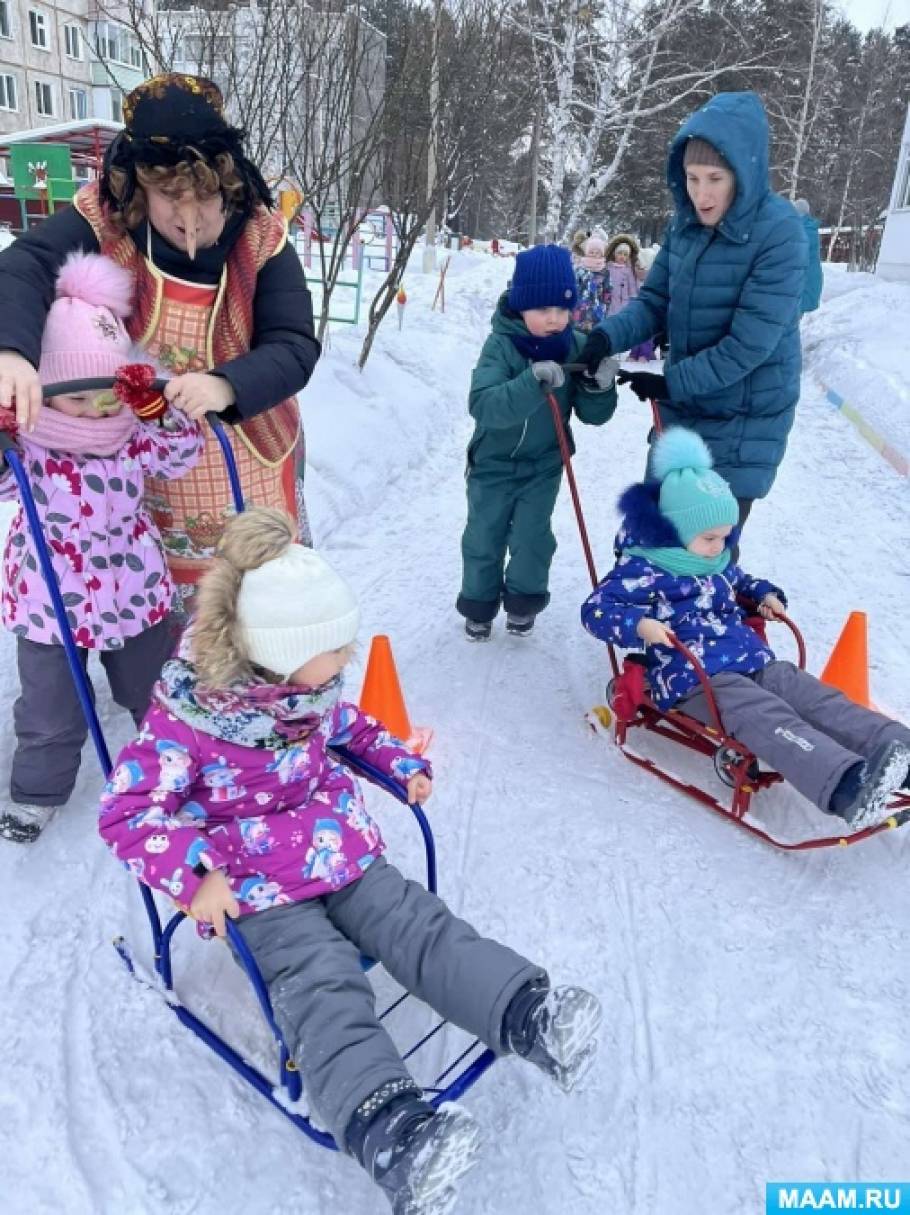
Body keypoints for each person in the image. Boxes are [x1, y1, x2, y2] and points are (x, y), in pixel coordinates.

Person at [97, 507, 603, 1214]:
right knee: (320, 979)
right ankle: (392, 1130)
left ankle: (526, 1010)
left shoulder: (308, 690)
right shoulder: (192, 720)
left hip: (338, 846)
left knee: (417, 924)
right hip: (257, 884)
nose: (347, 657)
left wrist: (400, 764)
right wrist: (194, 876)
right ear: (274, 648)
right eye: (334, 646)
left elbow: (354, 727)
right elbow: (126, 809)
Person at [0, 73, 320, 616]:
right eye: (171, 198)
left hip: (249, 446)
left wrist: (225, 384)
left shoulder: (262, 234)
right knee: (172, 613)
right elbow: (23, 266)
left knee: (263, 605)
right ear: (138, 187)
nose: (190, 219)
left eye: (206, 198)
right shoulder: (105, 219)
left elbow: (293, 344)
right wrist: (11, 351)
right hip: (150, 457)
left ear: (229, 180)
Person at [581, 428, 910, 829]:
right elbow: (597, 609)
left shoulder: (712, 560)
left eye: (725, 537)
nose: (719, 547)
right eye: (709, 538)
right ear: (675, 531)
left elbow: (740, 581)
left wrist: (765, 596)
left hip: (750, 657)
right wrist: (640, 624)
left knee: (817, 699)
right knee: (769, 717)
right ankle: (846, 786)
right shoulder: (643, 570)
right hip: (697, 677)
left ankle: (900, 753)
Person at [0, 253, 202, 843]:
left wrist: (157, 414)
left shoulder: (131, 438)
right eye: (75, 398)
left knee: (153, 691)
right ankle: (36, 792)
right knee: (49, 711)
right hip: (48, 603)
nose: (94, 412)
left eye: (107, 396)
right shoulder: (28, 447)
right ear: (40, 391)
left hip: (133, 594)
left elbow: (179, 455)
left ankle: (168, 772)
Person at [579, 92, 808, 547]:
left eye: (715, 178)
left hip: (743, 419)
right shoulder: (684, 226)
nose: (701, 194)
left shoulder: (779, 234)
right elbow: (655, 300)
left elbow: (749, 345)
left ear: (743, 175)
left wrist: (671, 383)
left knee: (705, 558)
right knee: (654, 542)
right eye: (691, 177)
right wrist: (605, 337)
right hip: (686, 413)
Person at [458, 244, 618, 640]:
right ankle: (478, 605)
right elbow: (484, 405)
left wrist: (599, 388)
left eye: (563, 310)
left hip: (544, 464)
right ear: (522, 305)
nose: (555, 320)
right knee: (484, 535)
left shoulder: (575, 345)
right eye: (544, 310)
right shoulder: (501, 345)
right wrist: (531, 382)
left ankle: (523, 602)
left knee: (532, 537)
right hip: (492, 464)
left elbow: (593, 416)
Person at [604, 234, 654, 361]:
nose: (622, 257)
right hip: (613, 302)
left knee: (628, 326)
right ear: (614, 254)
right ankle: (612, 349)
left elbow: (633, 284)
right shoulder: (609, 267)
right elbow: (606, 283)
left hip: (626, 301)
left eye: (625, 255)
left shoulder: (629, 269)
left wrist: (633, 297)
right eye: (620, 254)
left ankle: (638, 352)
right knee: (613, 326)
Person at [572, 233, 612, 333]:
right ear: (586, 252)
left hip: (597, 308)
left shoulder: (605, 271)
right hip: (580, 307)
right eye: (591, 252)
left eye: (597, 252)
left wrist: (606, 304)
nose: (594, 254)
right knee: (578, 332)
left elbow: (608, 289)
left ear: (602, 254)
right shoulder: (580, 269)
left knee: (594, 333)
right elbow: (574, 285)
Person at [794, 198, 823, 314]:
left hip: (805, 280)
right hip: (809, 278)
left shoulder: (803, 230)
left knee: (793, 316)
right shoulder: (809, 228)